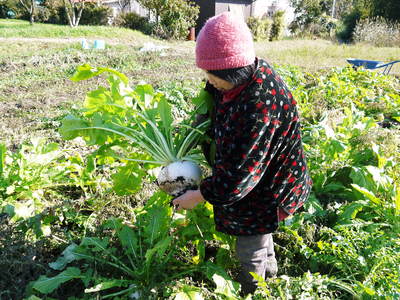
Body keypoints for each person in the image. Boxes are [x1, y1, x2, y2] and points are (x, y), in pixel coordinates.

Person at [172, 12, 312, 295]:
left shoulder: (258, 107)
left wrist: (197, 196)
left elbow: (238, 178)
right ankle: (270, 273)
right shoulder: (240, 75)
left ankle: (255, 290)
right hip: (257, 182)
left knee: (251, 247)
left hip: (268, 190)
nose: (207, 81)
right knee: (263, 237)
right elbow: (210, 101)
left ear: (231, 72)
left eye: (211, 75)